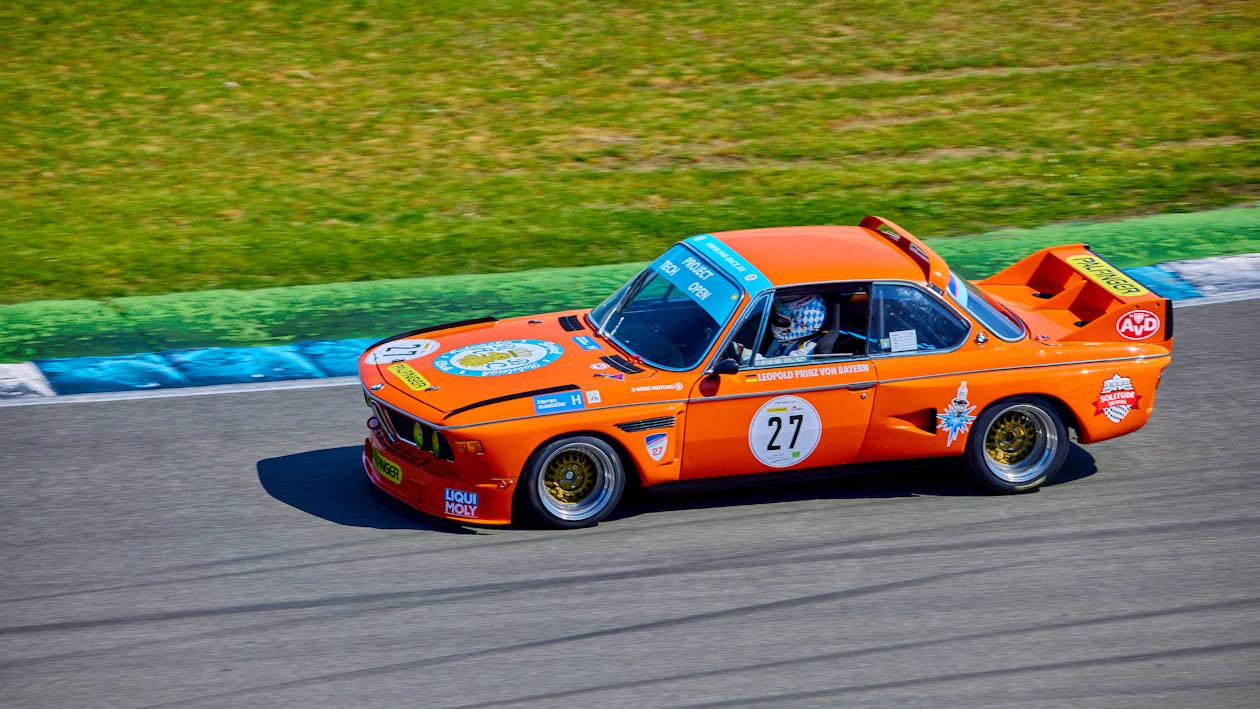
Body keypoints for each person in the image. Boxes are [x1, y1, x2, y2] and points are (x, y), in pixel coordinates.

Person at [761, 294, 827, 360]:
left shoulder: (810, 347)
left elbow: (783, 366)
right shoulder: (778, 342)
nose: (777, 326)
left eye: (783, 321)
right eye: (776, 319)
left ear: (803, 322)